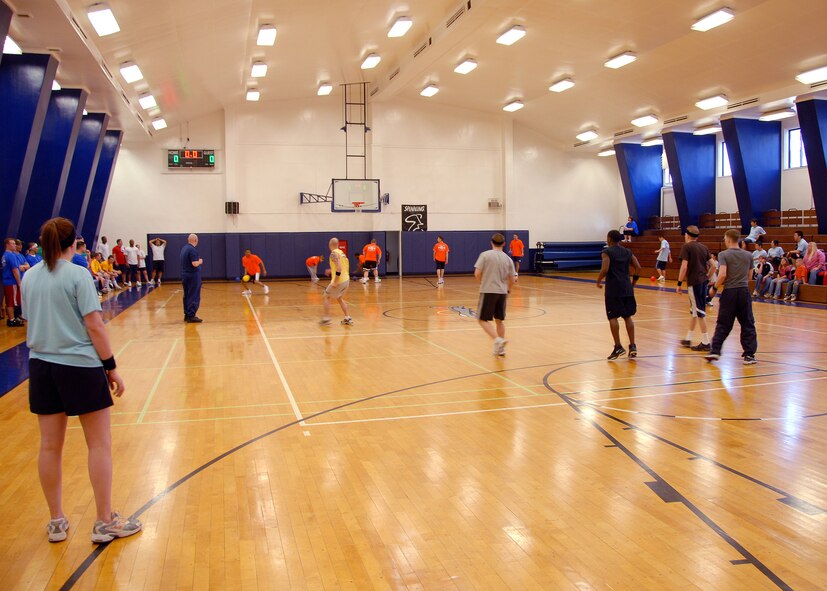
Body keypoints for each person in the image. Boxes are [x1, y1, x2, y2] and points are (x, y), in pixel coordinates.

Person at [20, 217, 142, 544]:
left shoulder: (29, 277)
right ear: (73, 244)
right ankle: (105, 521)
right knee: (99, 444)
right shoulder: (78, 275)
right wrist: (111, 366)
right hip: (80, 367)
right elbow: (95, 325)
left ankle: (56, 521)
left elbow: (31, 321)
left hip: (42, 367)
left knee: (49, 446)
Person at [706, 229, 758, 365]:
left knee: (723, 323)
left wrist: (714, 288)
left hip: (729, 291)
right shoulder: (748, 255)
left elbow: (722, 274)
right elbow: (750, 276)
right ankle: (749, 355)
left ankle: (715, 351)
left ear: (728, 240)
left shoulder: (724, 254)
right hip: (743, 291)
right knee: (747, 323)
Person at [597, 230, 641, 359]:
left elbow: (605, 268)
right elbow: (638, 267)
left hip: (613, 289)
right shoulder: (628, 252)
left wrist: (598, 280)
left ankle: (618, 346)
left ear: (610, 239)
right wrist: (634, 282)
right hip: (627, 288)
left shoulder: (607, 252)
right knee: (628, 317)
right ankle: (632, 346)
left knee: (613, 317)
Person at [475, 233, 516, 356]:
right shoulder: (508, 259)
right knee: (499, 320)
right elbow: (513, 279)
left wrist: (483, 282)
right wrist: (507, 289)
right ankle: (500, 349)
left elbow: (477, 273)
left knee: (481, 319)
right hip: (502, 292)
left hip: (488, 291)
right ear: (504, 243)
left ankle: (498, 340)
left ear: (491, 242)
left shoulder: (485, 255)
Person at [675, 226, 714, 351]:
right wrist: (707, 278)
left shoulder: (686, 247)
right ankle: (688, 338)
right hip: (702, 281)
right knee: (695, 311)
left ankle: (706, 342)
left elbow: (684, 266)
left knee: (700, 312)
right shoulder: (703, 247)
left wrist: (679, 283)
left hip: (694, 282)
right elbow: (714, 266)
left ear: (687, 235)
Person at [320, 237, 352, 326]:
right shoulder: (342, 253)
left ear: (330, 245)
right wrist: (330, 271)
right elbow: (343, 267)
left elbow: (339, 268)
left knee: (326, 296)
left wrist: (336, 281)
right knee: (339, 298)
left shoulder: (333, 254)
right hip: (346, 280)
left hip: (340, 280)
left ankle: (326, 319)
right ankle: (347, 318)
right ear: (338, 245)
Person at [180, 234, 204, 323]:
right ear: (195, 240)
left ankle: (187, 314)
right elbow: (194, 263)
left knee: (187, 295)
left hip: (185, 275)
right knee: (193, 295)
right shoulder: (192, 250)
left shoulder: (184, 248)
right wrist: (200, 261)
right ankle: (191, 315)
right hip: (193, 275)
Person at [2, 237, 24, 327]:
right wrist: (19, 282)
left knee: (10, 300)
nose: (15, 245)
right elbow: (15, 270)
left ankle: (12, 318)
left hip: (7, 281)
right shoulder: (10, 255)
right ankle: (12, 320)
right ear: (7, 245)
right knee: (11, 301)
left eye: (15, 243)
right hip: (11, 282)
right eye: (13, 244)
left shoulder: (5, 255)